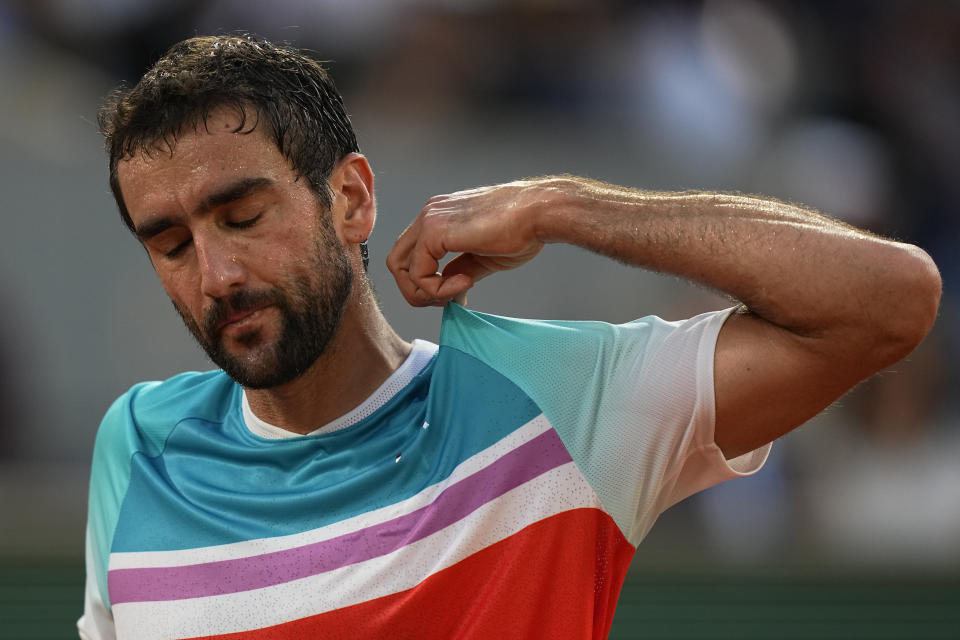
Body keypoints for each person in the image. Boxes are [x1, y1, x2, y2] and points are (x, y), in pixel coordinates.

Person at [78, 34, 941, 640]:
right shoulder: (139, 444)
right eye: (172, 244)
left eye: (242, 216)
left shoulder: (550, 400)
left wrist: (562, 206)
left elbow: (888, 301)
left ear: (350, 200)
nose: (216, 274)